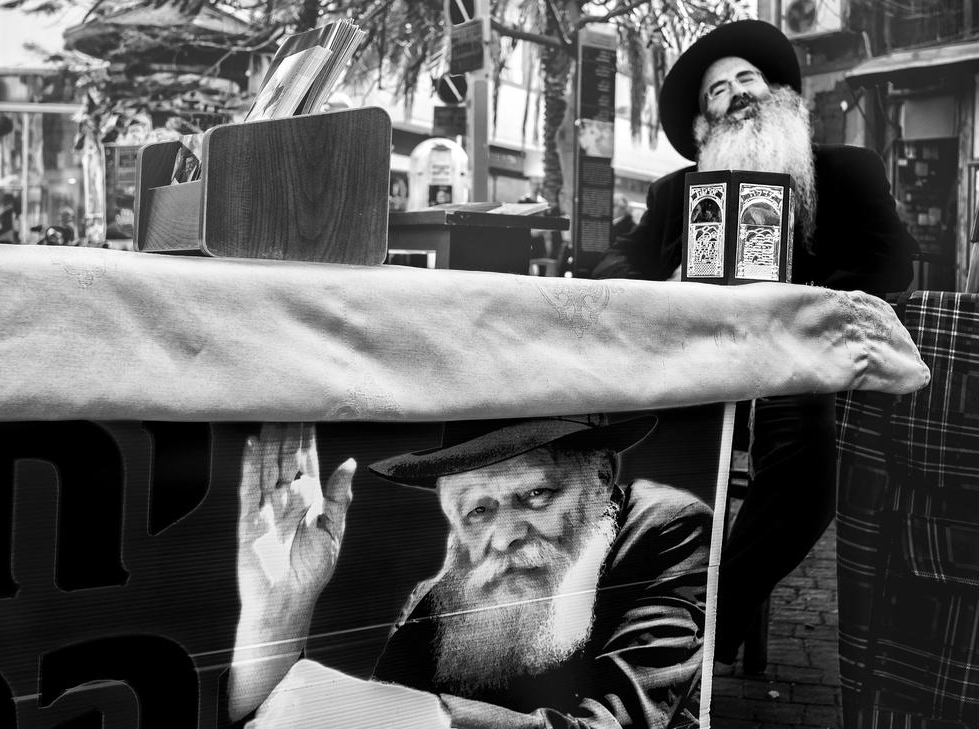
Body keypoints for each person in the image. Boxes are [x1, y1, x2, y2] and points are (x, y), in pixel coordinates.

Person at [588, 19, 918, 665]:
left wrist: (805, 299)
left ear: (781, 96)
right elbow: (611, 265)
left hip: (796, 372)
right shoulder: (673, 194)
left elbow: (894, 258)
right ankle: (624, 608)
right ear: (701, 126)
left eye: (748, 78)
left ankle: (701, 627)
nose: (737, 92)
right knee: (616, 437)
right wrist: (666, 282)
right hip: (694, 376)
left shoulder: (847, 171)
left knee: (811, 448)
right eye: (717, 90)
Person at [229, 416, 713, 728]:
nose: (504, 537)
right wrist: (276, 616)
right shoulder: (447, 596)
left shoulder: (666, 528)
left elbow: (618, 725)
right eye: (478, 511)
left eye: (536, 494)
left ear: (602, 477)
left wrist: (419, 718)